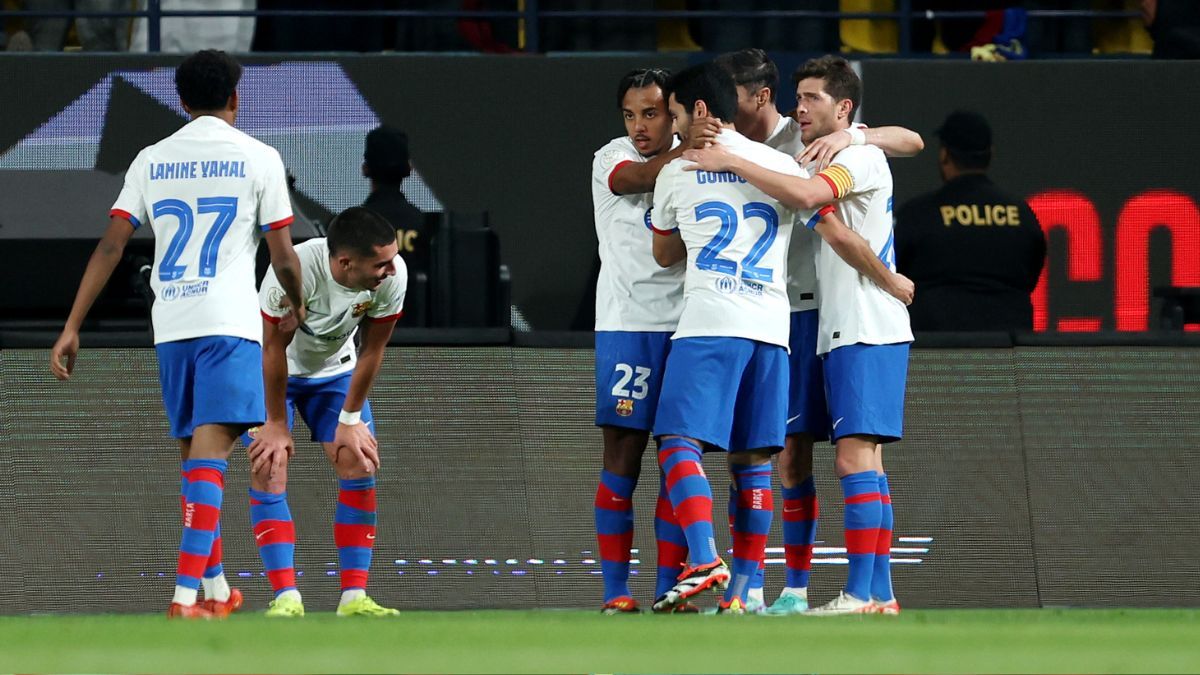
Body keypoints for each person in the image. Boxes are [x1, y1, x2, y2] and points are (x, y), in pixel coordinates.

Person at [49, 49, 305, 619]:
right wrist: (299, 302)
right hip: (228, 324)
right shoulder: (259, 157)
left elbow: (113, 245)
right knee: (210, 459)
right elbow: (283, 255)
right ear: (235, 98)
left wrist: (71, 326)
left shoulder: (151, 158)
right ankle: (184, 598)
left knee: (196, 462)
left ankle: (215, 592)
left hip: (172, 326)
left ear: (182, 102)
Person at [684, 54, 914, 615]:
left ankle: (860, 592)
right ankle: (869, 591)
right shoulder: (829, 149)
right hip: (829, 316)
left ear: (842, 108)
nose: (800, 106)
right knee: (845, 458)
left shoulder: (852, 155)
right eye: (800, 96)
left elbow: (821, 201)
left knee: (855, 457)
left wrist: (890, 281)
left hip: (858, 319)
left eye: (812, 98)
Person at [648, 61, 835, 615]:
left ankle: (704, 555)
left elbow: (662, 254)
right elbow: (810, 203)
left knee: (678, 442)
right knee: (753, 463)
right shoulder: (779, 164)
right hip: (771, 331)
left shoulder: (677, 171)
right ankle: (738, 595)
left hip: (709, 324)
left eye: (678, 113)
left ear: (700, 111)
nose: (676, 126)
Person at [242, 206, 406, 618]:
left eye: (392, 259)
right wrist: (276, 424)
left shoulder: (393, 276)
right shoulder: (294, 270)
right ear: (345, 262)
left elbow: (373, 349)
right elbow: (272, 347)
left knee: (360, 462)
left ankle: (353, 598)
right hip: (272, 370)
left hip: (334, 373)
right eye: (380, 263)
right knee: (269, 463)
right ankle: (286, 597)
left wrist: (349, 421)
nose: (391, 269)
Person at [590, 67, 711, 615]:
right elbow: (635, 180)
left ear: (674, 112)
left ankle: (669, 588)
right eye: (631, 114)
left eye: (652, 113)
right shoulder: (610, 156)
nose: (639, 126)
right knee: (623, 455)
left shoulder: (701, 162)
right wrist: (696, 149)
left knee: (675, 454)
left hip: (689, 325)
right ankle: (616, 591)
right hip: (627, 324)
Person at [894, 110, 1045, 332]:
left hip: (936, 351)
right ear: (990, 154)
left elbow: (893, 274)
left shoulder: (918, 213)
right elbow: (1033, 270)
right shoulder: (1021, 213)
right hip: (1009, 351)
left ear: (944, 155)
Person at [362, 125, 427, 325]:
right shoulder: (428, 226)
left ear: (365, 169)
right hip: (419, 342)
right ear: (409, 168)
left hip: (361, 343)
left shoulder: (347, 228)